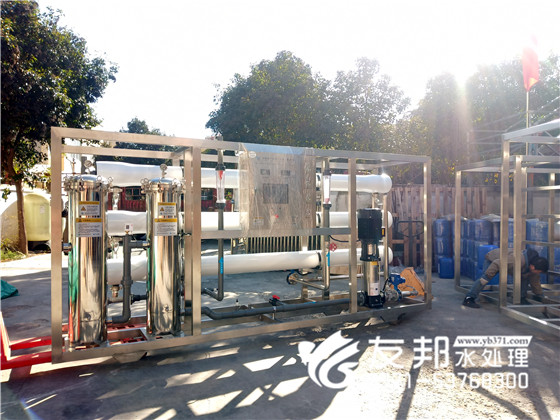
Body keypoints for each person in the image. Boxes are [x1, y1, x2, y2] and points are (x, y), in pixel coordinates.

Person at [462, 248, 548, 308]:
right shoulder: (517, 260)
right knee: (484, 279)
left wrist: (541, 297)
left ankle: (521, 298)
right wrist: (488, 275)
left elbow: (535, 283)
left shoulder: (534, 268)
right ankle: (469, 299)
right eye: (539, 271)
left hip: (505, 263)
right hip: (494, 259)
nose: (538, 273)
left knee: (525, 277)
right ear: (532, 266)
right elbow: (497, 263)